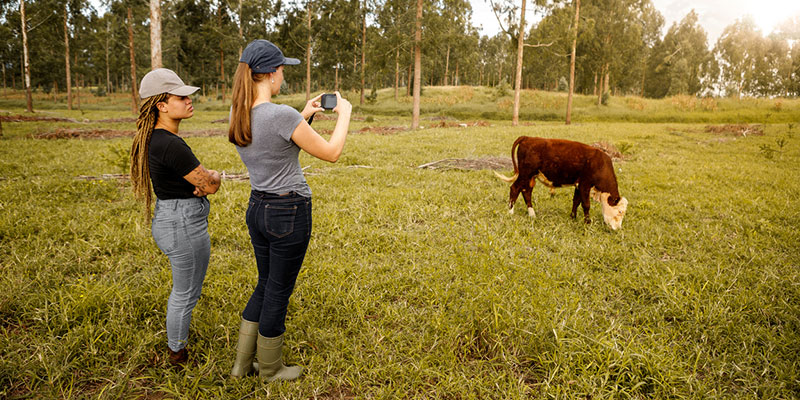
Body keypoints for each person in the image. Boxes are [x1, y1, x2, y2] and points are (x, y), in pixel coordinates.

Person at [227, 39, 352, 381]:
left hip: (258, 208)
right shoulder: (280, 115)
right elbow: (331, 153)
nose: (283, 76)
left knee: (264, 284)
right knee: (278, 291)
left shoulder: (239, 114)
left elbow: (274, 138)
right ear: (270, 74)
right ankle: (270, 369)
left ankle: (241, 364)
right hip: (288, 211)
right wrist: (344, 115)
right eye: (282, 70)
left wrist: (304, 114)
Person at [130, 68, 222, 366]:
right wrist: (214, 175)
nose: (189, 100)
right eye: (181, 97)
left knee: (186, 290)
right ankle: (177, 354)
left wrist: (203, 181)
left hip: (172, 218)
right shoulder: (169, 143)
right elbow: (209, 184)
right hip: (182, 224)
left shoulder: (157, 139)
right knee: (185, 293)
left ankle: (176, 347)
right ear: (162, 105)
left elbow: (199, 182)